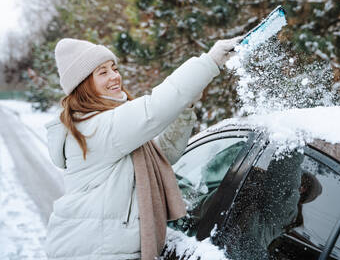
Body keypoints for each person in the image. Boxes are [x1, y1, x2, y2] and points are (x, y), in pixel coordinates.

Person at [44, 37, 240, 260]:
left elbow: (163, 154)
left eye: (114, 68)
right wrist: (210, 61)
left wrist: (185, 109)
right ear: (83, 85)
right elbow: (153, 109)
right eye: (102, 72)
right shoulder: (94, 128)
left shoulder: (109, 127)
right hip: (94, 252)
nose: (115, 77)